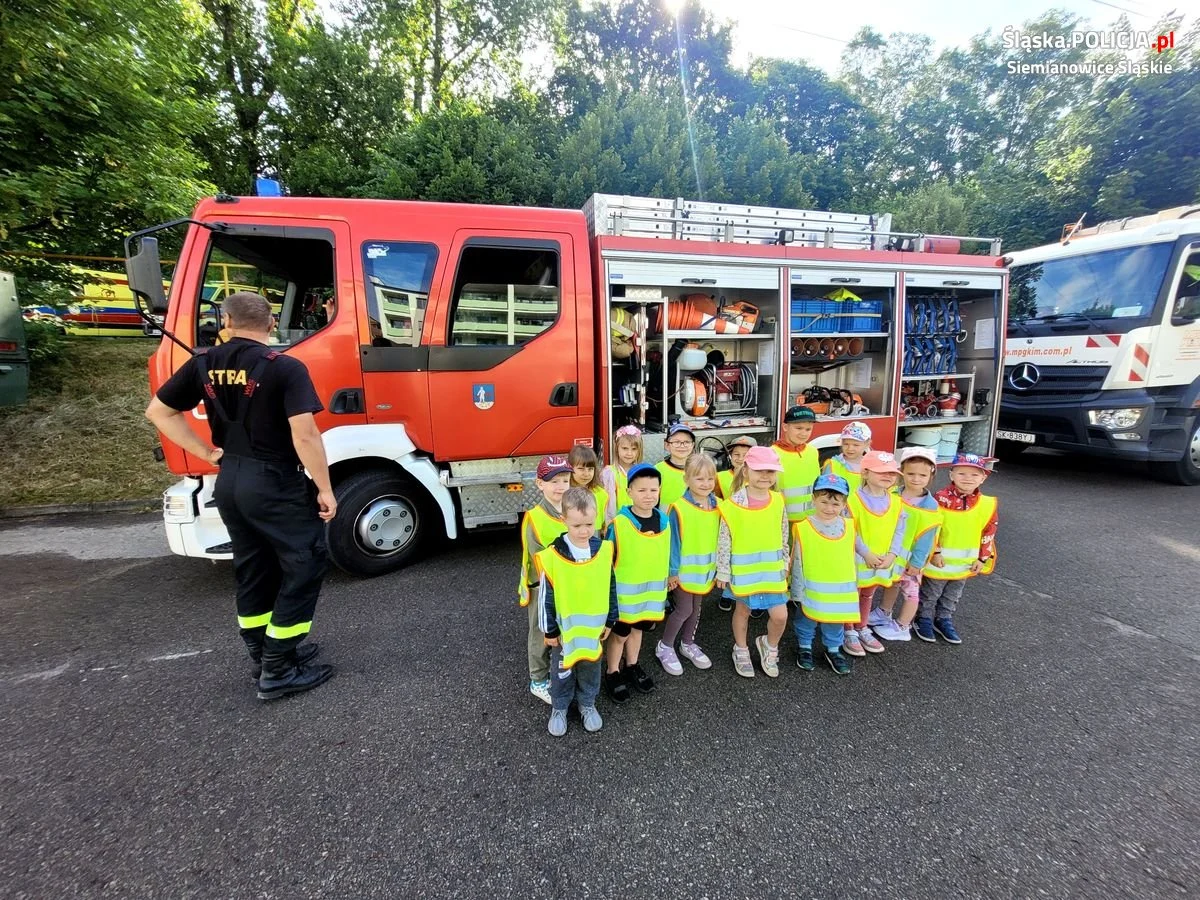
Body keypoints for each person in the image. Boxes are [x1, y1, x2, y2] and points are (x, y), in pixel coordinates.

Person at [144, 291, 335, 701]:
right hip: (275, 484)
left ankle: (263, 654)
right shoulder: (285, 368)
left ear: (225, 321)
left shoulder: (202, 364)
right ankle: (279, 669)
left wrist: (209, 453)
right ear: (270, 325)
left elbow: (158, 412)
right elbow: (304, 434)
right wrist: (324, 488)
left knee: (254, 568)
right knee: (303, 565)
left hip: (230, 479)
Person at [538, 488, 618, 737]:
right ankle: (559, 707)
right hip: (564, 631)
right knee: (561, 670)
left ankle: (587, 704)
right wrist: (550, 629)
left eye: (589, 524)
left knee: (590, 668)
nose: (584, 531)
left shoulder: (603, 549)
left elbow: (610, 585)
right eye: (577, 525)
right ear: (563, 521)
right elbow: (545, 596)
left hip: (593, 630)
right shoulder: (554, 555)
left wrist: (611, 619)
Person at [716, 446, 790, 678]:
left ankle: (770, 646)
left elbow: (783, 532)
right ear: (746, 471)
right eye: (759, 470)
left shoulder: (778, 500)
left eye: (771, 471)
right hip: (744, 573)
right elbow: (724, 540)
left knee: (780, 615)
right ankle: (741, 648)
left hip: (772, 572)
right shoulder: (731, 505)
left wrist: (785, 558)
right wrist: (723, 571)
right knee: (742, 610)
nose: (765, 476)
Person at [914, 452, 998, 644]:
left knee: (953, 595)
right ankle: (923, 619)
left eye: (975, 475)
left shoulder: (987, 504)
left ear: (983, 478)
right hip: (939, 561)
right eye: (962, 473)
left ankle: (943, 619)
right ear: (951, 475)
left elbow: (989, 532)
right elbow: (931, 528)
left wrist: (982, 558)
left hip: (965, 564)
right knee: (931, 593)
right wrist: (935, 551)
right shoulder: (939, 499)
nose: (968, 479)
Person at [604, 463, 671, 702]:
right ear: (629, 491)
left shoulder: (663, 520)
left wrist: (671, 576)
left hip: (649, 596)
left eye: (653, 490)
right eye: (641, 490)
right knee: (620, 634)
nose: (648, 495)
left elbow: (667, 553)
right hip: (623, 597)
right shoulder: (620, 523)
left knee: (638, 631)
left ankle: (632, 665)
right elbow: (608, 559)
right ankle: (613, 671)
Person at [657, 452, 720, 675]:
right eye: (699, 478)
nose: (705, 484)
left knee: (696, 608)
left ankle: (687, 643)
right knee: (683, 609)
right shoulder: (678, 508)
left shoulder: (719, 506)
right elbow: (673, 542)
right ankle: (664, 646)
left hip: (704, 571)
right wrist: (672, 572)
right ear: (687, 480)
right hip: (682, 572)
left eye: (710, 479)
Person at [870, 447, 942, 642]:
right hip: (894, 554)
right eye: (910, 473)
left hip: (911, 558)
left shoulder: (930, 505)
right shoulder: (894, 494)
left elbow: (927, 536)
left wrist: (917, 562)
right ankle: (884, 612)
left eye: (922, 475)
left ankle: (903, 625)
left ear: (931, 475)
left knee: (910, 591)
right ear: (902, 472)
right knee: (891, 583)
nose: (916, 479)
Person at [789, 473, 857, 675]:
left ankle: (834, 649)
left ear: (844, 504)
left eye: (835, 504)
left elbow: (856, 549)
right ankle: (805, 647)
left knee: (835, 619)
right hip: (811, 586)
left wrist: (871, 556)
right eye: (824, 502)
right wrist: (797, 590)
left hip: (840, 588)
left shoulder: (849, 526)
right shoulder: (803, 526)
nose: (829, 508)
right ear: (814, 499)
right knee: (806, 618)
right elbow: (797, 559)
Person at [519, 454, 572, 704]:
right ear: (540, 484)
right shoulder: (534, 517)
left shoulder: (572, 510)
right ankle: (538, 680)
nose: (560, 487)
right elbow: (538, 558)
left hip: (569, 583)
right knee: (540, 633)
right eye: (553, 481)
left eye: (564, 480)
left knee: (562, 629)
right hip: (542, 586)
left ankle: (562, 670)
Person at [843, 450, 907, 657]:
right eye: (881, 472)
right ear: (865, 473)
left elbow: (899, 529)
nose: (888, 476)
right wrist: (865, 553)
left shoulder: (897, 502)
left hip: (880, 560)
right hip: (856, 560)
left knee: (868, 593)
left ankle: (861, 626)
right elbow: (848, 530)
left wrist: (892, 554)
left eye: (891, 472)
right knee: (851, 594)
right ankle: (848, 630)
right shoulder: (851, 500)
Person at [772, 406, 821, 523]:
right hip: (784, 520)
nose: (803, 433)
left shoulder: (813, 451)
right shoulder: (772, 453)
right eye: (798, 428)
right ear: (785, 427)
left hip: (812, 519)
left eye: (808, 429)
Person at [601, 425, 643, 522]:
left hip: (638, 523)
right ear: (617, 448)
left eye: (634, 449)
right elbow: (608, 504)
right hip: (618, 523)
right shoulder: (610, 473)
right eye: (625, 448)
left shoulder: (641, 472)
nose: (629, 453)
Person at [568, 444, 609, 531]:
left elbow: (603, 519)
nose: (586, 474)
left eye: (590, 469)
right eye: (581, 469)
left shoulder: (601, 493)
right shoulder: (565, 494)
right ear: (571, 469)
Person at [822, 421, 871, 493]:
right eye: (846, 444)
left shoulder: (872, 466)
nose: (850, 448)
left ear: (867, 444)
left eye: (856, 445)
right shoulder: (833, 465)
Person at [656, 423, 695, 509]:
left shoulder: (697, 470)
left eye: (687, 442)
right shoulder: (657, 470)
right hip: (667, 521)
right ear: (667, 445)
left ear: (693, 445)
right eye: (676, 442)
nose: (682, 446)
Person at [716, 434, 756, 499]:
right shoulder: (719, 477)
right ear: (730, 456)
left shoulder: (759, 477)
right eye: (736, 454)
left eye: (745, 455)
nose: (740, 458)